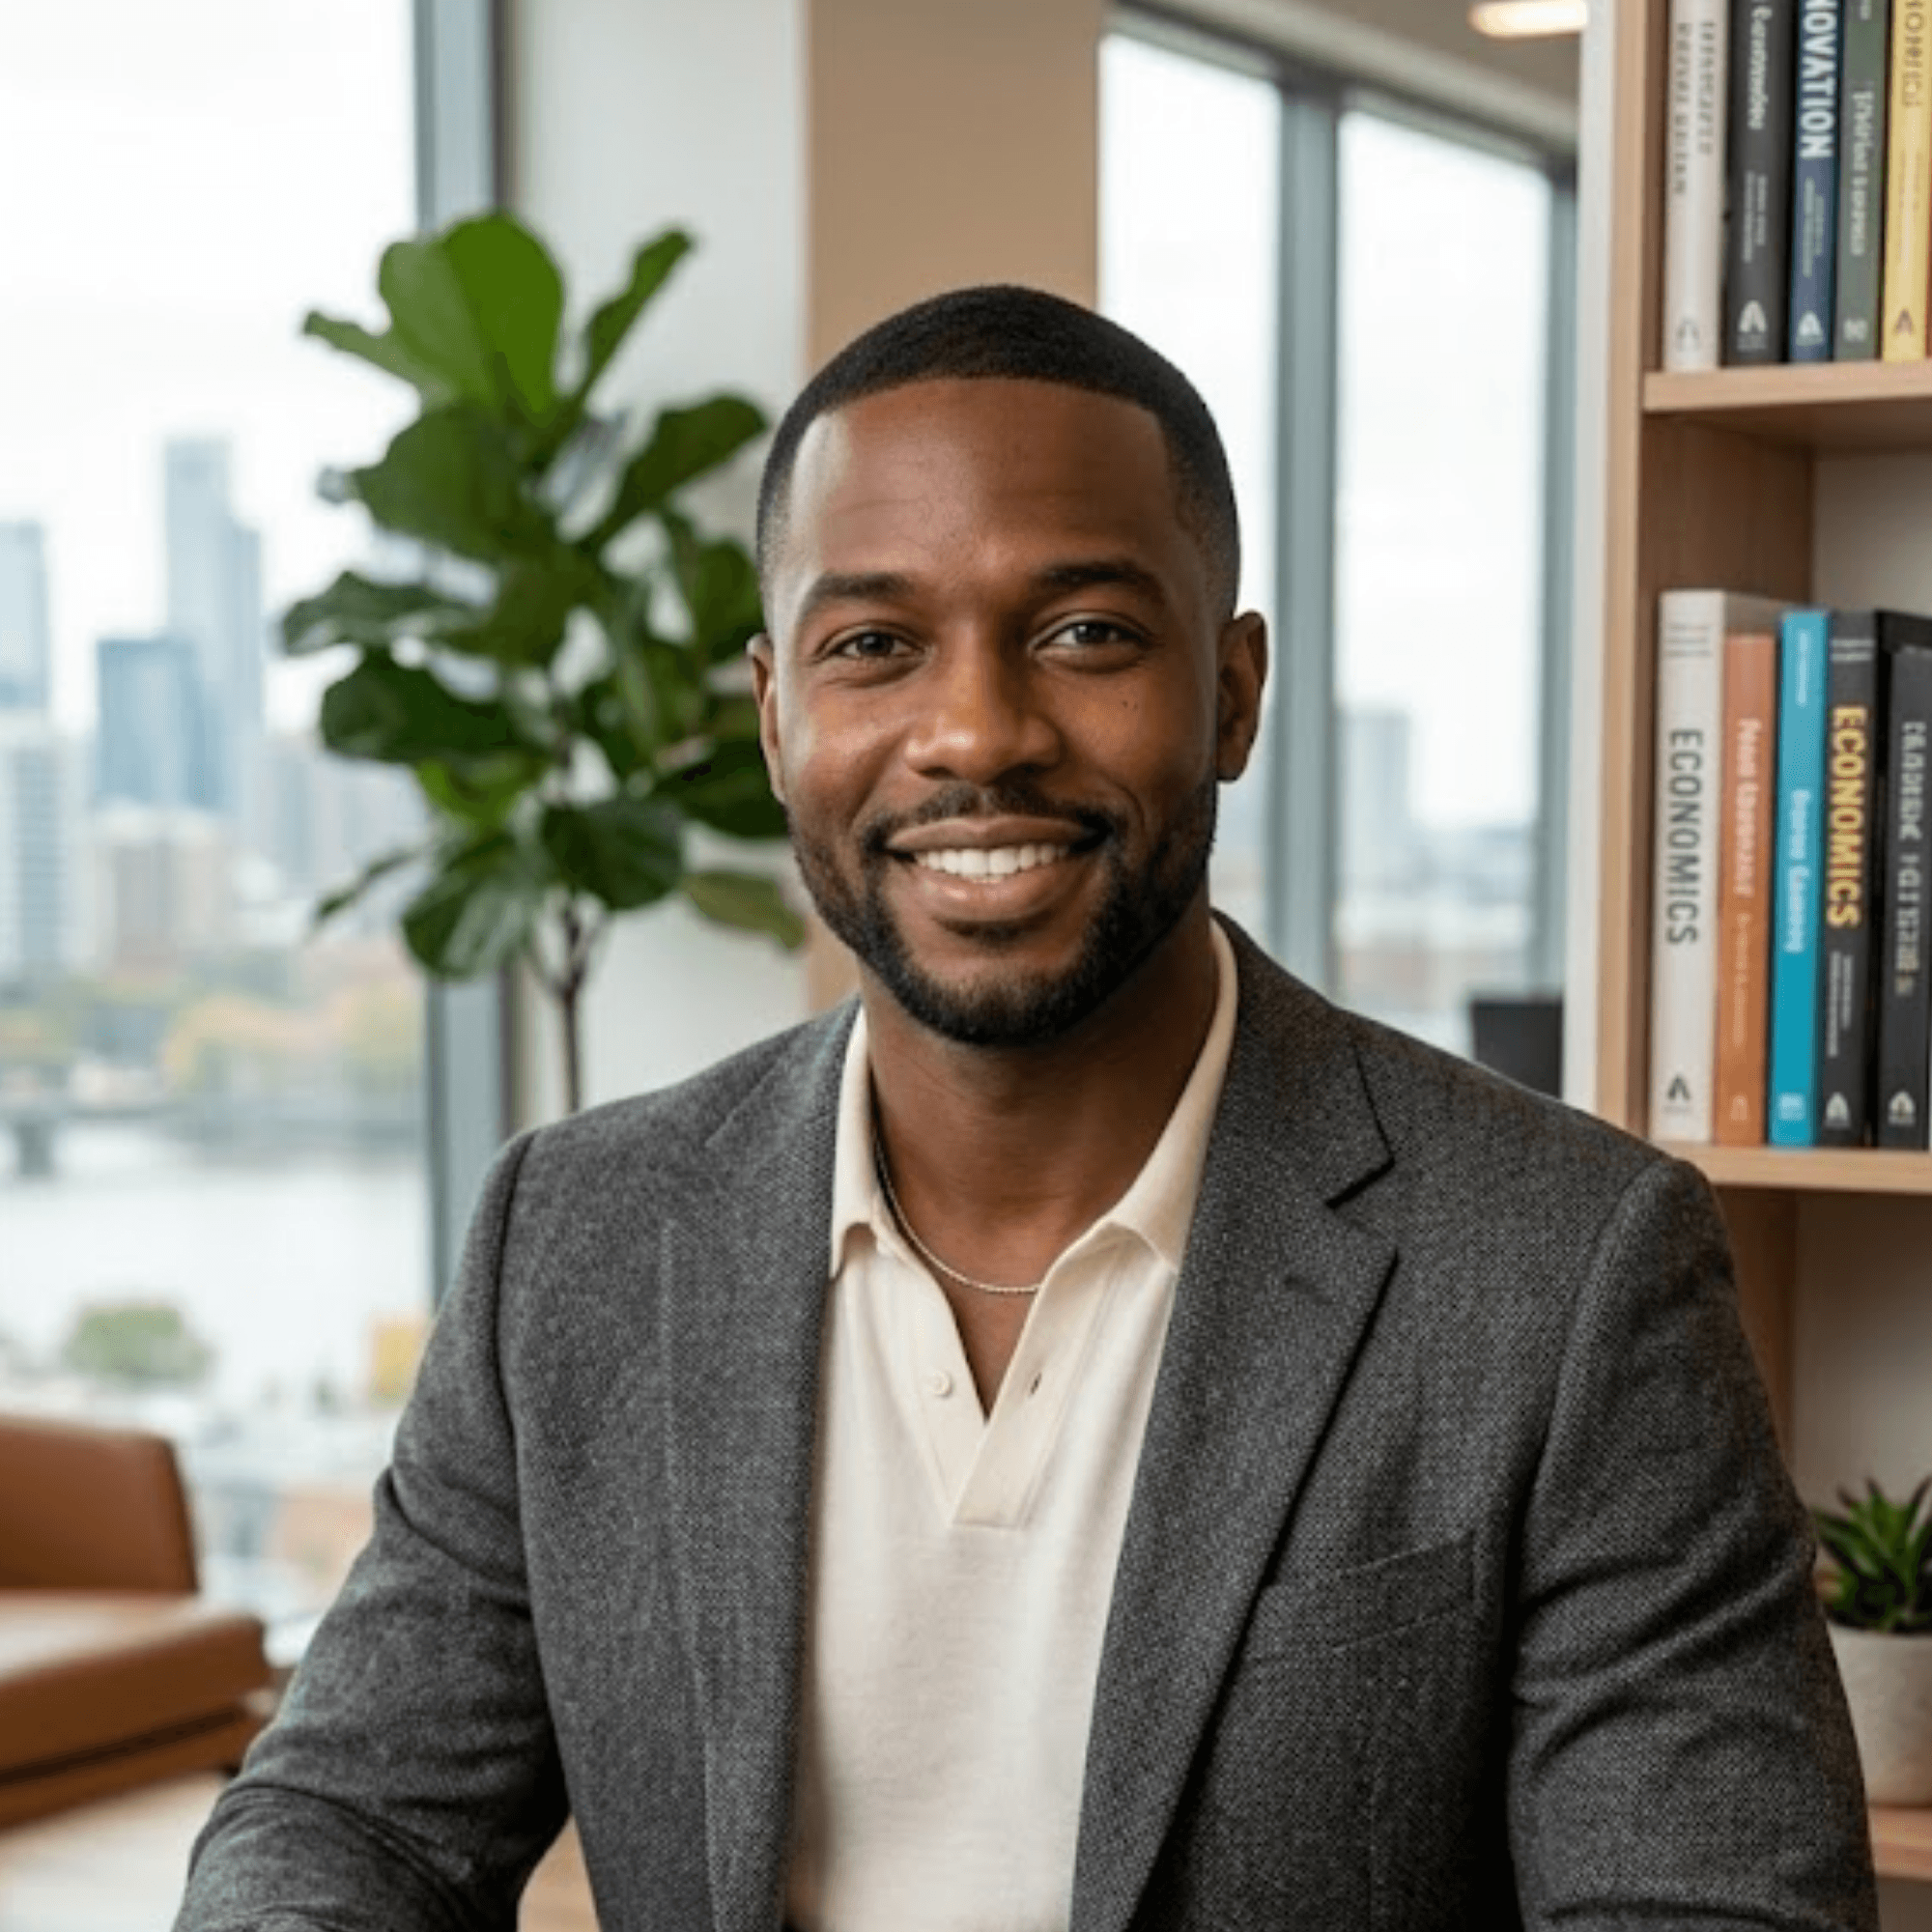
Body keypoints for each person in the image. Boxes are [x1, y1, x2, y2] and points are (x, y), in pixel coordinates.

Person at [177, 286, 1877, 1931]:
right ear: (776, 719)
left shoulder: (1566, 1272)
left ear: (1231, 692)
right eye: (875, 646)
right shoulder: (580, 1240)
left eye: (1084, 634)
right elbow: (346, 1821)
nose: (976, 731)